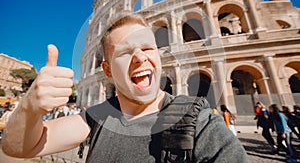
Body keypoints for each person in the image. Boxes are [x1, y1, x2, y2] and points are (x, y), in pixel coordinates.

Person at [2, 11, 249, 162]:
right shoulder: (95, 119)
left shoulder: (199, 122)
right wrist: (29, 107)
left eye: (148, 48)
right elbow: (15, 148)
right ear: (107, 70)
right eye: (125, 52)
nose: (141, 57)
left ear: (158, 57)